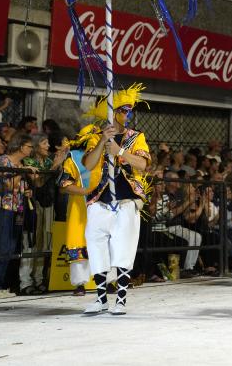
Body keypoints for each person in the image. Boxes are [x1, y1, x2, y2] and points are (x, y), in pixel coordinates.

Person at [82, 84, 151, 315]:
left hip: (126, 200)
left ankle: (120, 299)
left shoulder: (136, 137)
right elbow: (88, 165)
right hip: (99, 201)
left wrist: (119, 152)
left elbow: (143, 164)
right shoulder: (94, 137)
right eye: (122, 110)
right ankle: (101, 298)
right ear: (111, 113)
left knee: (124, 248)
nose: (127, 114)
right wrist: (103, 142)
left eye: (129, 110)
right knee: (96, 246)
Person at [0, 132, 36, 298]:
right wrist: (21, 171)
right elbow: (8, 186)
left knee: (11, 248)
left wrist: (27, 191)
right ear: (21, 146)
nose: (31, 149)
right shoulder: (4, 161)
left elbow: (23, 185)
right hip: (3, 207)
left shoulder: (22, 163)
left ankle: (0, 285)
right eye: (29, 146)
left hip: (17, 208)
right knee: (2, 246)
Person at [20, 133, 65, 294]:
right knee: (31, 243)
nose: (48, 146)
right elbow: (37, 182)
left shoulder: (47, 161)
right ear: (36, 146)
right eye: (44, 143)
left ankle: (38, 279)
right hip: (34, 205)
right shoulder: (28, 162)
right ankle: (25, 282)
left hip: (48, 204)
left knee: (44, 243)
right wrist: (54, 166)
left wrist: (60, 162)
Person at [57, 126, 98, 295]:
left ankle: (110, 280)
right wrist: (86, 192)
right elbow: (64, 185)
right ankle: (80, 284)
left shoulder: (106, 156)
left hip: (103, 207)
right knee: (78, 241)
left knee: (105, 241)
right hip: (80, 208)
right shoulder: (73, 158)